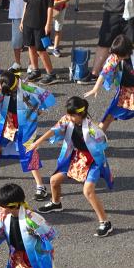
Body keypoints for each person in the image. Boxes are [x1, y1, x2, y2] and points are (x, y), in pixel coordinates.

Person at [29, 97, 114, 237]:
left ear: (80, 114)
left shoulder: (92, 129)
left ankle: (105, 222)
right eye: (68, 114)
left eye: (71, 114)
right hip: (76, 157)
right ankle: (56, 203)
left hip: (92, 161)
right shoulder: (67, 119)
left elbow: (103, 145)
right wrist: (37, 142)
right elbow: (54, 129)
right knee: (54, 180)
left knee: (88, 191)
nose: (68, 117)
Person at [0, 70, 54, 201]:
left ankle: (40, 186)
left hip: (25, 124)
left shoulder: (28, 87)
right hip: (8, 121)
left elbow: (46, 96)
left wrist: (40, 110)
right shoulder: (3, 86)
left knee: (29, 151)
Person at [83, 34, 134, 138]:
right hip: (124, 93)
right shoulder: (115, 57)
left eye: (119, 55)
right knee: (109, 116)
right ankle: (96, 140)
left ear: (126, 52)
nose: (116, 57)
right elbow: (105, 71)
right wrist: (95, 88)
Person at [21, 0, 56, 84]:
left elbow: (50, 7)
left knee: (41, 49)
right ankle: (35, 70)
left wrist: (48, 23)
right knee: (31, 46)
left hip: (41, 25)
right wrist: (22, 21)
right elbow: (26, 4)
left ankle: (51, 73)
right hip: (28, 23)